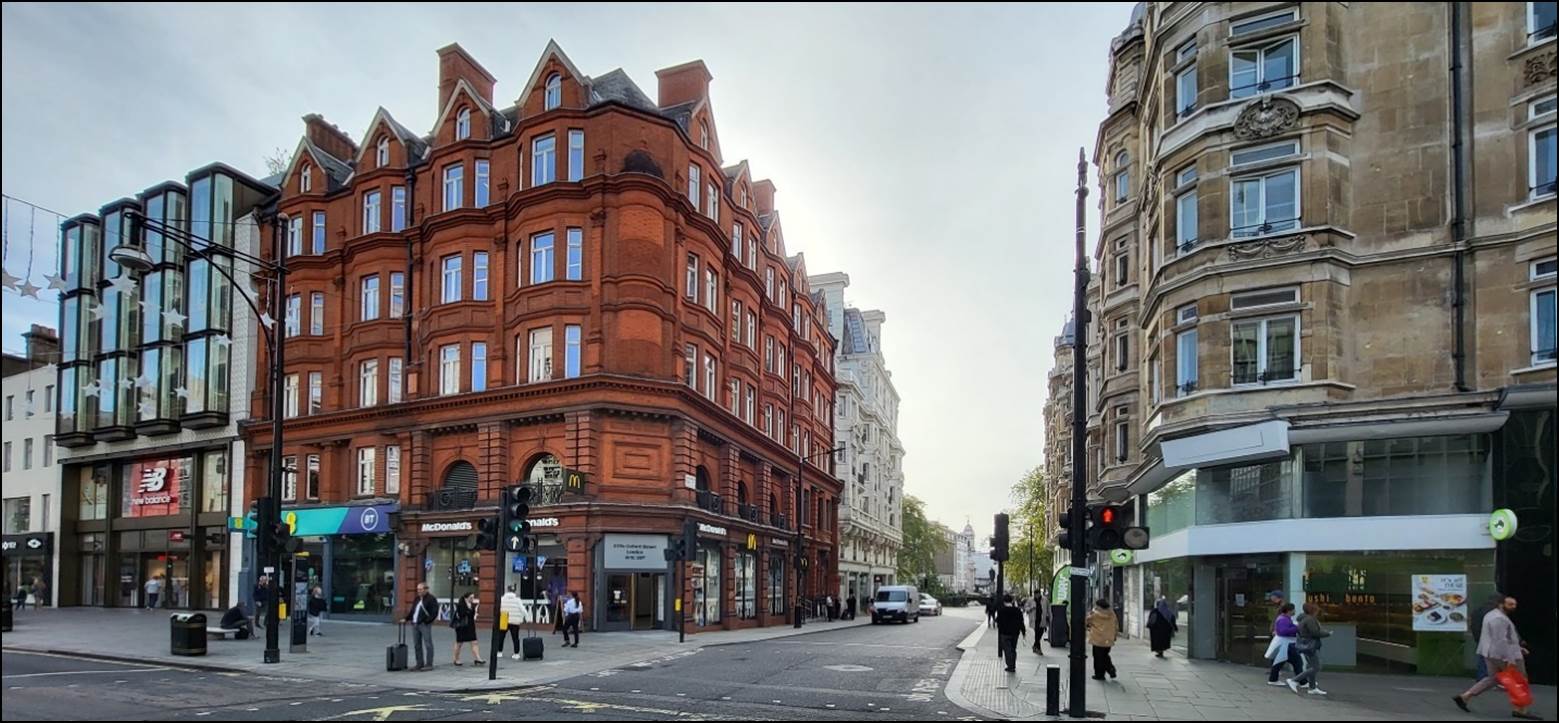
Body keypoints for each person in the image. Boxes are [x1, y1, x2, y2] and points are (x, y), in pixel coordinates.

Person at [1455, 595, 1538, 720]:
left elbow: (1500, 638)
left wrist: (1517, 647)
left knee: (1493, 678)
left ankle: (1465, 697)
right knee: (1519, 679)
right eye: (1510, 604)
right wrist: (1510, 659)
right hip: (1503, 654)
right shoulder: (1499, 619)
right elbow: (1500, 641)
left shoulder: (1492, 615)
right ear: (1500, 604)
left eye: (1514, 604)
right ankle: (1521, 709)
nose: (1513, 607)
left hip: (1490, 652)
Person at [1287, 602, 1331, 696]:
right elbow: (1315, 632)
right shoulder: (1310, 619)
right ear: (1313, 610)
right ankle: (1294, 680)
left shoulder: (1303, 619)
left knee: (1311, 666)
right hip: (1311, 645)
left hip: (1306, 645)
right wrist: (1327, 633)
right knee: (1316, 667)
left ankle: (1312, 687)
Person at [1469, 593, 1505, 686]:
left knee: (1483, 659)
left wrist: (1476, 637)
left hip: (1480, 638)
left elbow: (1473, 625)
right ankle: (1488, 680)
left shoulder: (1477, 610)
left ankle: (1482, 679)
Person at [404, 582, 440, 671]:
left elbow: (434, 612)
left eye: (420, 589)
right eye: (418, 589)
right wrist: (406, 619)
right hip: (415, 624)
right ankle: (419, 663)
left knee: (428, 644)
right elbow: (413, 610)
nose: (419, 591)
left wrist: (427, 621)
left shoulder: (431, 599)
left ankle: (429, 664)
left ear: (426, 589)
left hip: (424, 624)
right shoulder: (417, 599)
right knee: (417, 644)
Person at [1267, 603, 1301, 685]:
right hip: (1286, 644)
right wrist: (1296, 628)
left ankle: (1273, 679)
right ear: (1289, 611)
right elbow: (1283, 631)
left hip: (1286, 644)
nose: (1295, 611)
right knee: (1297, 662)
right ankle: (1302, 681)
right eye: (1293, 609)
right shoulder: (1284, 619)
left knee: (1280, 662)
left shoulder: (1285, 618)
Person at [1087, 599, 1119, 680]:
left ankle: (1100, 674)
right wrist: (1114, 636)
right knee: (1105, 655)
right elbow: (1116, 625)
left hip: (1097, 639)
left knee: (1098, 657)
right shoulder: (1112, 614)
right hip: (1108, 639)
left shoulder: (1095, 614)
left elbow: (1087, 621)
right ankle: (1110, 669)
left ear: (1098, 606)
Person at [995, 593, 1028, 673]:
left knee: (1007, 649)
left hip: (1005, 633)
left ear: (1004, 601)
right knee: (1013, 649)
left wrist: (1000, 627)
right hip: (1015, 633)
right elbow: (1021, 622)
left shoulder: (1001, 610)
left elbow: (997, 621)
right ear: (1012, 601)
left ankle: (1010, 666)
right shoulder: (1017, 610)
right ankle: (1013, 664)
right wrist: (1023, 632)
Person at [451, 592, 484, 666]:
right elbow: (462, 615)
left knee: (474, 642)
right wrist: (469, 610)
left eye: (473, 598)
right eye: (471, 598)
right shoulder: (461, 605)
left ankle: (478, 658)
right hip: (462, 627)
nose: (472, 599)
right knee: (459, 643)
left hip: (471, 626)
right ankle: (456, 659)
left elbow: (472, 615)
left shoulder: (472, 605)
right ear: (466, 598)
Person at [501, 585, 525, 660]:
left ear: (507, 590)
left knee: (501, 637)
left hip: (504, 618)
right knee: (515, 638)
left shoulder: (502, 599)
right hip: (515, 620)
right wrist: (527, 617)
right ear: (514, 591)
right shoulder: (517, 600)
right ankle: (516, 653)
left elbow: (499, 608)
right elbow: (522, 609)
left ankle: (499, 652)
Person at [1031, 589, 1051, 655]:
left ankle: (1034, 646)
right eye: (1035, 594)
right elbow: (1026, 607)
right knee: (1037, 634)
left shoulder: (1045, 600)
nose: (1036, 596)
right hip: (1035, 619)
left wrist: (1050, 617)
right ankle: (1038, 649)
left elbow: (1049, 609)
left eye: (1037, 594)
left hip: (1042, 619)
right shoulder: (1031, 600)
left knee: (1041, 633)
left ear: (1039, 594)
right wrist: (1031, 608)